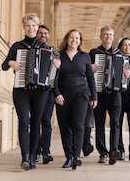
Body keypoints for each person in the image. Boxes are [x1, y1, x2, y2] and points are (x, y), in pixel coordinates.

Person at [1, 14, 55, 170]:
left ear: (37, 28)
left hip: (40, 92)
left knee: (36, 123)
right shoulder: (17, 46)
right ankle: (25, 157)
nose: (31, 28)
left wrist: (55, 64)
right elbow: (4, 65)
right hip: (21, 90)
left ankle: (32, 156)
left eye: (33, 26)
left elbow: (52, 75)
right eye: (28, 25)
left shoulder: (45, 48)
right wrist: (10, 62)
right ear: (24, 27)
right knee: (24, 122)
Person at [54, 29, 98, 170]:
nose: (74, 40)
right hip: (63, 96)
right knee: (65, 127)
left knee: (78, 126)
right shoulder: (58, 56)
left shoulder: (85, 56)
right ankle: (69, 157)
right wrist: (56, 94)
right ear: (67, 39)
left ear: (80, 41)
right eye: (72, 38)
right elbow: (52, 78)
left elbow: (90, 78)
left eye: (77, 38)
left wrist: (94, 96)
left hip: (81, 95)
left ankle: (76, 156)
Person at [89, 26, 125, 165]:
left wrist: (126, 75)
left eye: (110, 34)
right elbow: (87, 71)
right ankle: (103, 152)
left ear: (113, 36)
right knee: (99, 123)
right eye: (105, 34)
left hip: (115, 93)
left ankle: (113, 151)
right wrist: (90, 69)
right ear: (101, 36)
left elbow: (124, 72)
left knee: (116, 123)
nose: (108, 37)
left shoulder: (119, 53)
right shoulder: (94, 53)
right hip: (99, 93)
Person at [35, 25, 55, 164]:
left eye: (45, 33)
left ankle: (45, 151)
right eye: (40, 33)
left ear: (48, 35)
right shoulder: (31, 50)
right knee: (35, 122)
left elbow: (54, 76)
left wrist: (57, 66)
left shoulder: (54, 53)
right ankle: (35, 151)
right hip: (33, 91)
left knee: (46, 122)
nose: (43, 35)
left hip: (48, 92)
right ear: (36, 34)